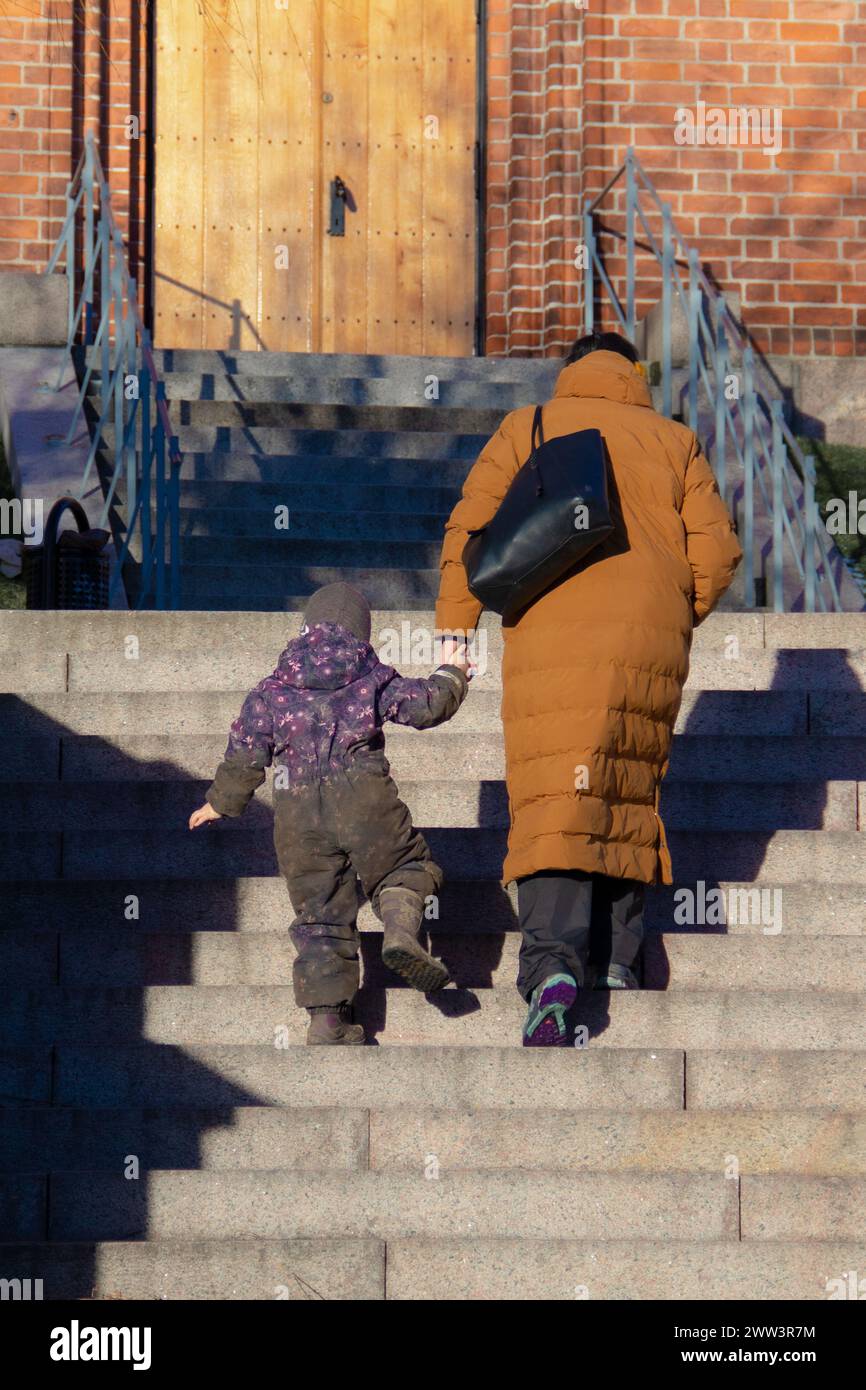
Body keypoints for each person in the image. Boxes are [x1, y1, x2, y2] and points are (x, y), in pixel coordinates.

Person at [434, 330, 743, 1046]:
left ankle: (551, 964)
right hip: (649, 634)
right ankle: (616, 962)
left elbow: (468, 530)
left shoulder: (529, 426)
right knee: (624, 784)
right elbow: (720, 551)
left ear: (568, 372)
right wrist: (672, 608)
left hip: (549, 623)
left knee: (555, 789)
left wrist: (456, 629)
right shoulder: (674, 439)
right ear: (633, 373)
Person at [189, 581, 472, 1044]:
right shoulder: (371, 675)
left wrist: (219, 802)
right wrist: (452, 672)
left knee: (319, 913)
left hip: (298, 813)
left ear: (303, 630)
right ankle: (400, 929)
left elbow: (246, 755)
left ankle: (327, 1021)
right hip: (365, 797)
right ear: (362, 633)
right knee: (404, 866)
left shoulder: (271, 689)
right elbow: (426, 706)